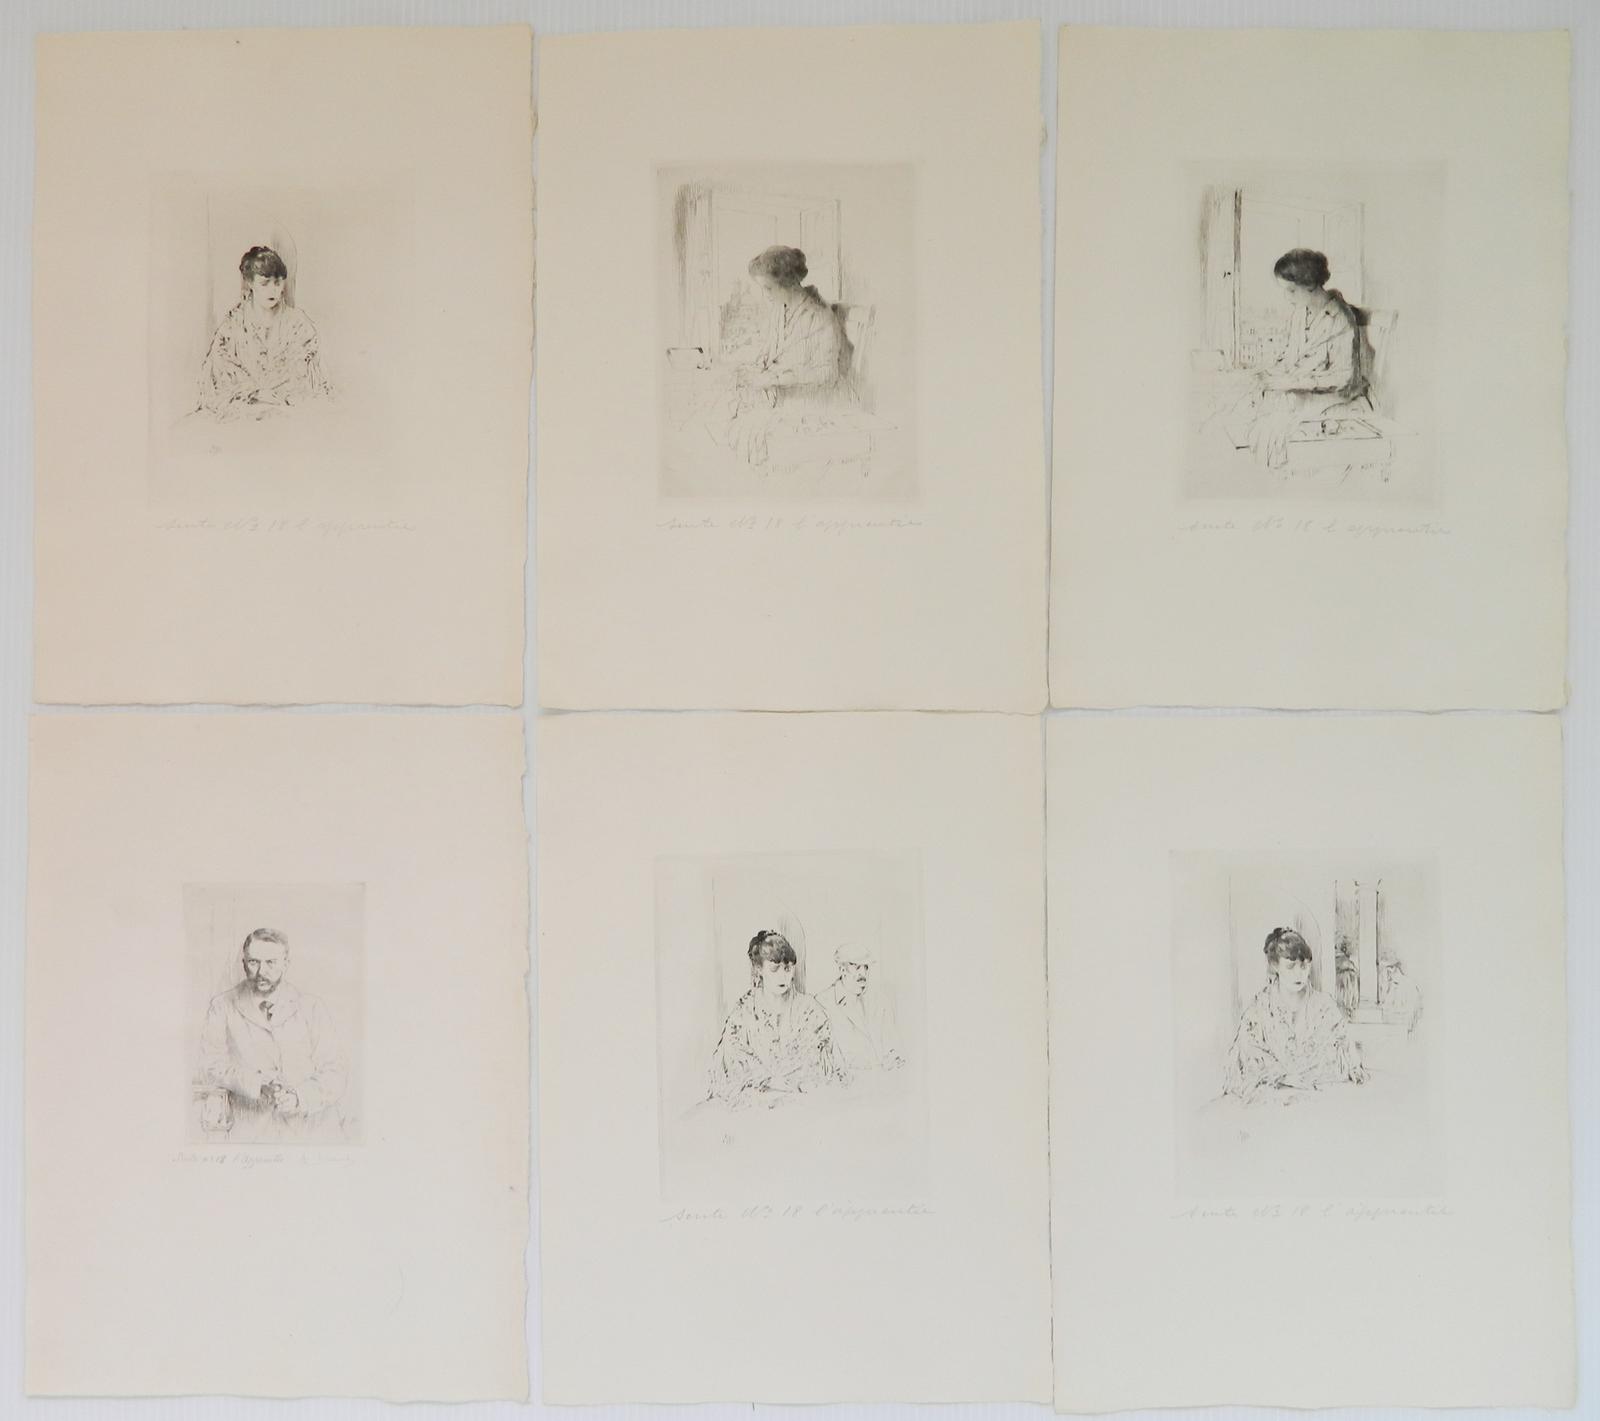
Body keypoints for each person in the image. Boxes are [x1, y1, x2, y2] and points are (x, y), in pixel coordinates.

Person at [198, 927, 349, 1140]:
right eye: (254, 962)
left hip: (310, 1131)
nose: (262, 972)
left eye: (271, 962)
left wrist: (299, 1097)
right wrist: (255, 1085)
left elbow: (336, 1069)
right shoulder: (222, 1006)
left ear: (286, 963)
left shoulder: (311, 1007)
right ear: (243, 963)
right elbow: (211, 1065)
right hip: (251, 1132)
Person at [1243, 247, 1371, 469]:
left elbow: (1343, 377)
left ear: (1310, 284)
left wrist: (1291, 382)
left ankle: (1276, 472)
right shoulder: (1301, 313)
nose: (1287, 297)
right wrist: (1268, 375)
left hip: (1334, 397)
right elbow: (1289, 357)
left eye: (1291, 291)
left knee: (1276, 420)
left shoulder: (1340, 318)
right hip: (1304, 391)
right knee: (1254, 407)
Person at [725, 245, 852, 465]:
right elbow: (772, 351)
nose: (765, 296)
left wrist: (774, 379)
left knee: (748, 429)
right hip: (784, 396)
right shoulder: (780, 309)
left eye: (768, 288)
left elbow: (827, 373)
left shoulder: (819, 316)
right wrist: (756, 367)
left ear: (788, 283)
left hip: (813, 402)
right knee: (729, 409)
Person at [1223, 927, 1368, 1103]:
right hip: (1275, 1097)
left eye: (1304, 966)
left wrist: (1353, 1066)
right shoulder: (1260, 1008)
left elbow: (1343, 1043)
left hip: (1320, 1095)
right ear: (1275, 966)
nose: (1299, 974)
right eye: (1290, 966)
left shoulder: (1325, 1005)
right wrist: (1283, 1078)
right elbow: (1246, 1054)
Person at [708, 929, 846, 1105]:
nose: (783, 976)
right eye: (774, 969)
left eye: (788, 968)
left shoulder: (811, 1010)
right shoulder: (743, 1013)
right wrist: (769, 1082)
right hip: (755, 1104)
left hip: (805, 1103)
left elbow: (826, 1065)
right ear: (759, 969)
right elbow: (731, 1065)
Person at [196, 245, 333, 419]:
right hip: (244, 409)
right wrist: (255, 393)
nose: (272, 290)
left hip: (288, 409)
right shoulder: (233, 325)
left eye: (277, 282)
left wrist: (280, 396)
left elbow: (309, 375)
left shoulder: (299, 324)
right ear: (250, 283)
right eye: (264, 283)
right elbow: (220, 368)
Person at [816, 943, 904, 1072]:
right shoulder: (823, 1003)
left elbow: (894, 1049)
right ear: (842, 969)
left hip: (884, 1079)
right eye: (857, 967)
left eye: (866, 967)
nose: (863, 973)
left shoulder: (879, 1001)